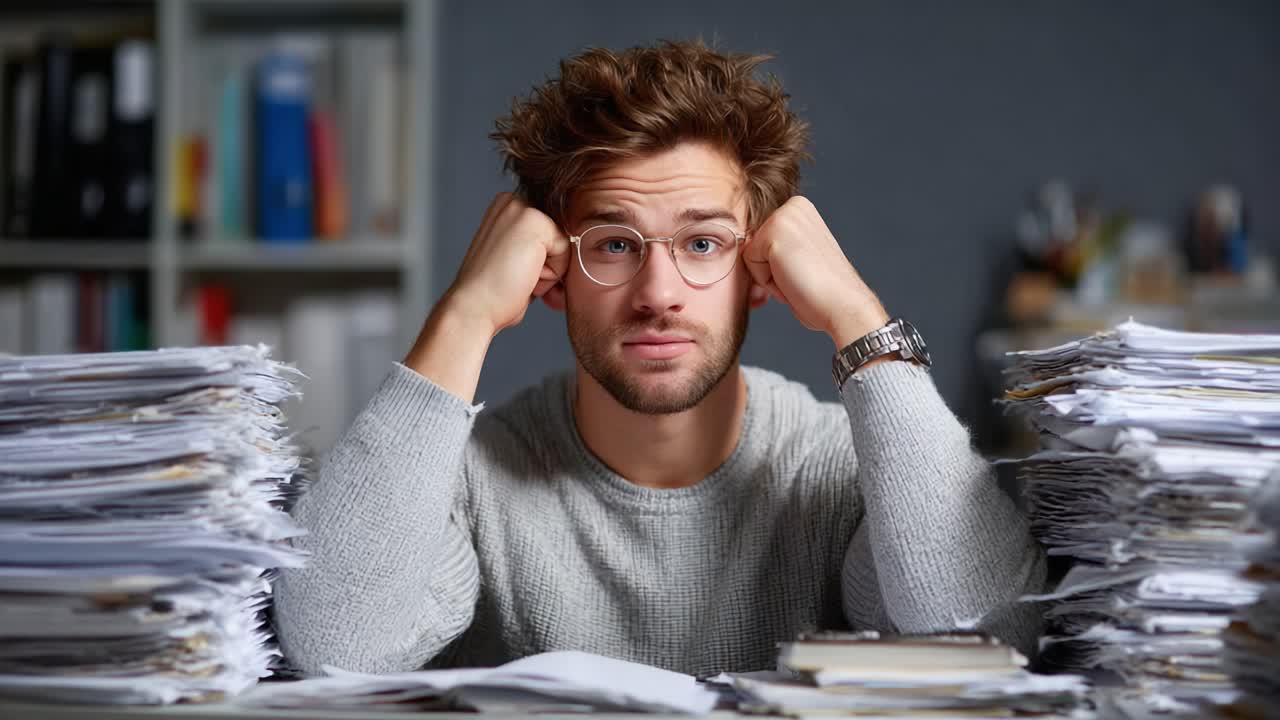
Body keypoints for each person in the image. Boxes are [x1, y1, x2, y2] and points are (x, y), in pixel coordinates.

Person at [273, 40, 1045, 677]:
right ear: (551, 273)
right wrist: (467, 312)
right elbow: (336, 645)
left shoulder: (839, 470)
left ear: (762, 273)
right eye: (614, 244)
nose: (658, 293)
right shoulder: (473, 477)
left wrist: (857, 316)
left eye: (703, 243)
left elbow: (988, 641)